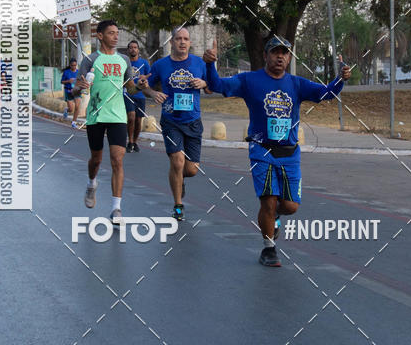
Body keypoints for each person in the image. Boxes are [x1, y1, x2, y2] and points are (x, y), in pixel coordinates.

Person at [204, 36, 351, 267]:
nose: (280, 56)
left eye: (285, 53)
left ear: (289, 57)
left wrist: (340, 79)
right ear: (265, 55)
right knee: (269, 202)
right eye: (275, 52)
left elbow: (326, 94)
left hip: (290, 153)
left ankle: (275, 219)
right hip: (261, 150)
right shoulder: (249, 80)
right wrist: (209, 65)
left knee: (291, 206)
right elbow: (217, 86)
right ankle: (269, 248)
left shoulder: (296, 84)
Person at [138, 27, 208, 221]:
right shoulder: (161, 65)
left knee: (191, 169)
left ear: (190, 43)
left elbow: (211, 86)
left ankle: (179, 179)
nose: (182, 42)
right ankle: (178, 205)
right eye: (178, 39)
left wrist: (204, 84)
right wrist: (151, 92)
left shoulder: (199, 63)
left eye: (186, 39)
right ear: (172, 42)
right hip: (170, 121)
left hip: (193, 121)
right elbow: (144, 85)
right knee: (177, 162)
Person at [73, 20, 136, 224]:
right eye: (111, 33)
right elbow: (77, 89)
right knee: (96, 159)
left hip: (118, 116)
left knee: (117, 159)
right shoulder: (90, 60)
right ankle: (92, 183)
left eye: (117, 33)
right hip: (96, 116)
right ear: (100, 36)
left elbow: (131, 87)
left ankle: (116, 208)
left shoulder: (124, 60)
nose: (116, 37)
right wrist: (79, 87)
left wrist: (142, 85)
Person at [123, 40, 150, 152]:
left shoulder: (144, 63)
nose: (133, 49)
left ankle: (135, 141)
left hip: (140, 95)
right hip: (127, 93)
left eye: (135, 47)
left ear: (138, 50)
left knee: (138, 120)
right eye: (131, 47)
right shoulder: (125, 62)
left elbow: (150, 75)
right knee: (131, 117)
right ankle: (129, 142)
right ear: (128, 50)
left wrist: (145, 77)